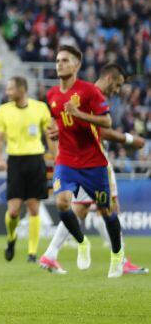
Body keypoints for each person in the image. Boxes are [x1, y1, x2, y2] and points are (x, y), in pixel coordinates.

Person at [39, 63, 148, 275]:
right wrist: (129, 139)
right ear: (108, 79)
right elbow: (101, 131)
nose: (116, 91)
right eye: (116, 86)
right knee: (106, 208)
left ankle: (51, 254)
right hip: (92, 161)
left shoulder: (87, 93)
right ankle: (121, 258)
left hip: (85, 160)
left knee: (84, 208)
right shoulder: (90, 93)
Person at [45, 45, 124, 278]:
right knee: (61, 203)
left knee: (107, 212)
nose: (59, 64)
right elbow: (56, 123)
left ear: (76, 65)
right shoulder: (51, 95)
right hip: (67, 161)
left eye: (65, 60)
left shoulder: (89, 92)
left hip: (93, 164)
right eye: (57, 60)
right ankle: (82, 242)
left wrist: (79, 114)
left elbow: (107, 122)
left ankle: (117, 255)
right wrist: (54, 132)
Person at [0, 77, 55, 263]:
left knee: (34, 208)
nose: (8, 92)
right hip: (15, 161)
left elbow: (49, 135)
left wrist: (57, 156)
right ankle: (11, 239)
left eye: (11, 89)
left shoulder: (40, 108)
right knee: (13, 211)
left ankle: (32, 253)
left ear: (22, 89)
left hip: (36, 159)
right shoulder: (3, 110)